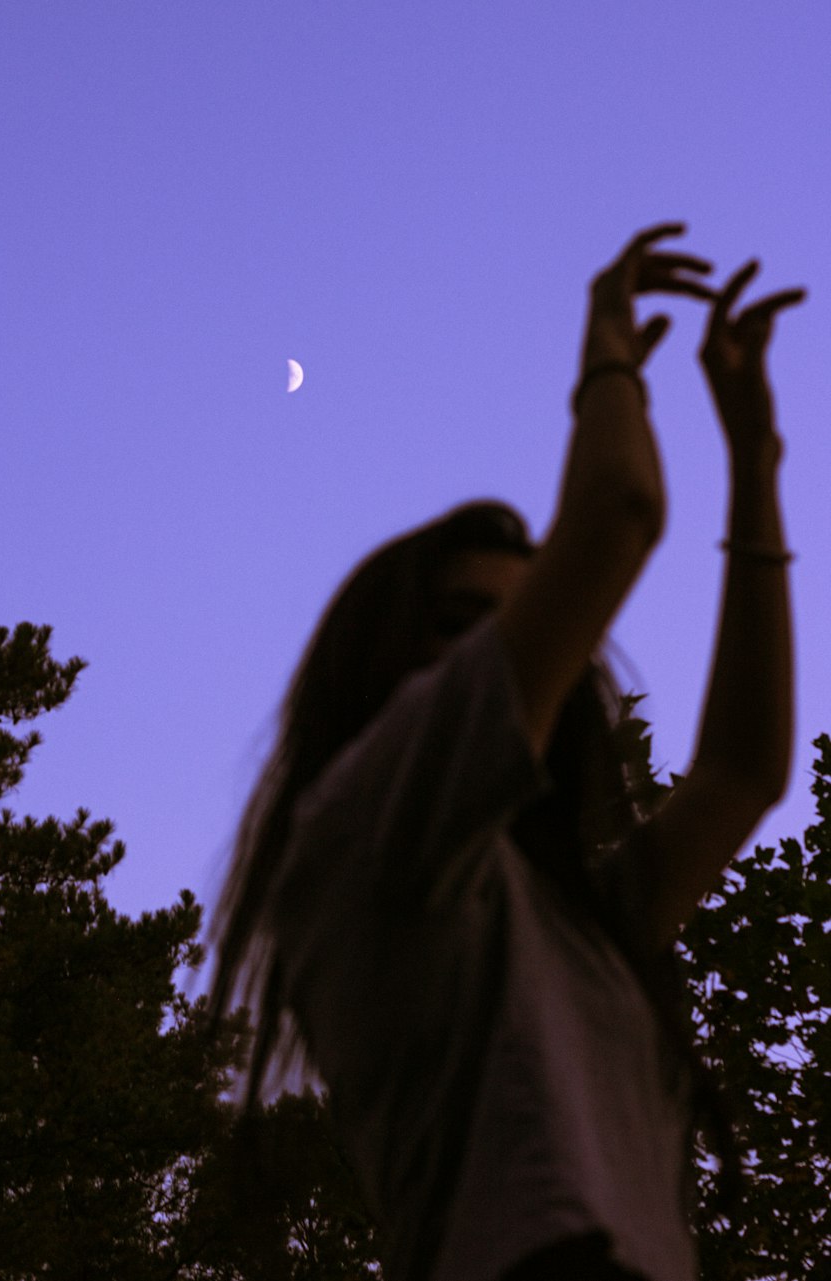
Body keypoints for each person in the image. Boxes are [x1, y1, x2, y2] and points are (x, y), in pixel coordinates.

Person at [207, 224, 803, 1281]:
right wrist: (605, 349)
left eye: (522, 628)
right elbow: (617, 513)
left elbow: (740, 774)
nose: (505, 651)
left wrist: (754, 468)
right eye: (459, 621)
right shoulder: (364, 826)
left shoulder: (568, 915)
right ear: (379, 651)